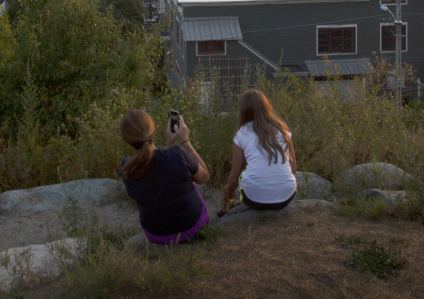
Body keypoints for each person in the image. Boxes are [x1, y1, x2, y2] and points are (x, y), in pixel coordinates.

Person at [119, 109, 211, 245]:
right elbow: (204, 177)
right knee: (191, 180)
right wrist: (185, 141)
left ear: (128, 140)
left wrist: (169, 145)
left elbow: (157, 169)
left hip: (157, 235)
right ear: (153, 130)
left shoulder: (127, 167)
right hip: (191, 228)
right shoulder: (177, 154)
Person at [221, 89, 297, 214]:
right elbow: (293, 169)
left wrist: (226, 198)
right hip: (287, 196)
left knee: (243, 179)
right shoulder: (283, 129)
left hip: (254, 198)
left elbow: (234, 178)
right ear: (266, 106)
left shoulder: (241, 134)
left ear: (243, 111)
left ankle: (232, 204)